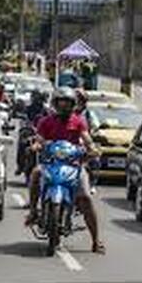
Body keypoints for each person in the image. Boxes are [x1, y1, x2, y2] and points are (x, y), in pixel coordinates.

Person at [25, 88, 105, 254]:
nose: (64, 106)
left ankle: (96, 240)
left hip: (74, 165)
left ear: (72, 105)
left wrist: (92, 149)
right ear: (55, 104)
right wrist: (36, 146)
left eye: (67, 103)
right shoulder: (45, 122)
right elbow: (39, 140)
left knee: (85, 198)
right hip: (50, 164)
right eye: (61, 102)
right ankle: (33, 211)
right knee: (35, 173)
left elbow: (87, 139)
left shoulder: (79, 121)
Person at [15, 90, 47, 176]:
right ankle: (20, 165)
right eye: (35, 97)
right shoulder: (28, 108)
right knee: (22, 143)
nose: (37, 100)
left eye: (38, 98)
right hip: (29, 131)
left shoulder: (45, 110)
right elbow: (24, 118)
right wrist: (29, 125)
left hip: (42, 133)